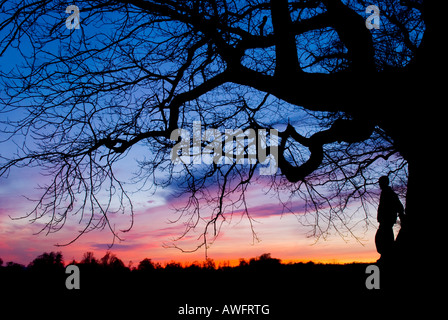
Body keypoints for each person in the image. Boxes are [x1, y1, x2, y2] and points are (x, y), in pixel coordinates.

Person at [375, 176, 404, 263]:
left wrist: (400, 214)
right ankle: (385, 256)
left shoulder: (389, 192)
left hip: (387, 220)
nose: (379, 184)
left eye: (380, 182)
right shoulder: (385, 192)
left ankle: (386, 256)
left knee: (384, 238)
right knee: (382, 237)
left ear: (385, 182)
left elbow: (399, 206)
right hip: (385, 220)